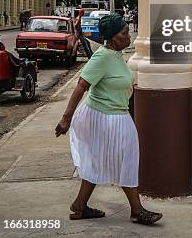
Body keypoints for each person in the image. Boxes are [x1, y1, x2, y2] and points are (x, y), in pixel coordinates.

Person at [55, 13, 162, 226]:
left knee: (99, 160)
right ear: (113, 37)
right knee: (126, 158)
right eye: (124, 33)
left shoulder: (116, 54)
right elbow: (81, 86)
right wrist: (66, 119)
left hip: (116, 113)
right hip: (101, 115)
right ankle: (137, 211)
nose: (129, 36)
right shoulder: (102, 57)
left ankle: (79, 206)